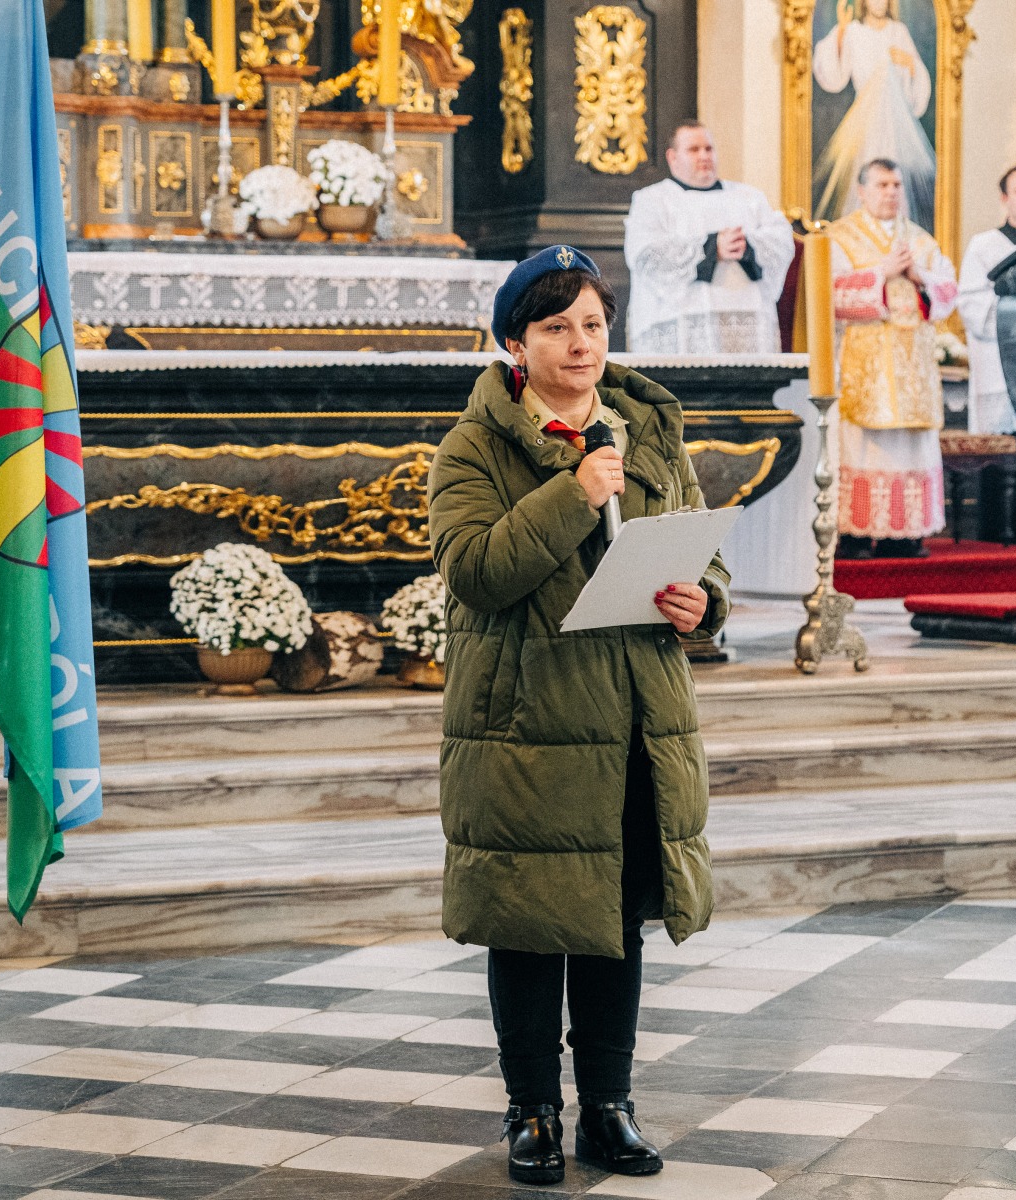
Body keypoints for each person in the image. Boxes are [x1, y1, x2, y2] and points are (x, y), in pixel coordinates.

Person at [426, 245, 730, 1186]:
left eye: (592, 323)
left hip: (635, 716)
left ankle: (608, 1106)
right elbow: (477, 572)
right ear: (515, 344)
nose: (580, 343)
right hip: (528, 721)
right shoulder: (472, 448)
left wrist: (703, 600)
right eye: (556, 326)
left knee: (614, 917)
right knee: (528, 920)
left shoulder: (649, 430)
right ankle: (531, 1111)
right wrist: (576, 491)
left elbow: (699, 549)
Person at [830, 158, 958, 558]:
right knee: (861, 446)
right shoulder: (840, 238)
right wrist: (880, 273)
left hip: (914, 366)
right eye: (882, 185)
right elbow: (829, 296)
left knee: (910, 448)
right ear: (862, 191)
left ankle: (904, 535)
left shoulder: (921, 241)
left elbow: (949, 293)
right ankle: (855, 534)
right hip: (866, 364)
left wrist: (920, 278)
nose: (891, 192)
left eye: (896, 185)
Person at [624, 121, 796, 354]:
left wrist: (747, 246)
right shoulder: (652, 200)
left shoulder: (749, 197)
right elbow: (644, 254)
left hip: (747, 324)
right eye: (694, 150)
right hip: (681, 324)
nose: (704, 156)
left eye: (709, 149)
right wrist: (711, 247)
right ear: (673, 157)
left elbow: (780, 240)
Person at [812, 0, 934, 226]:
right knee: (864, 168)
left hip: (893, 119)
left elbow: (917, 83)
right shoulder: (853, 31)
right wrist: (841, 30)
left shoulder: (898, 31)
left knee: (894, 172)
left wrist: (909, 63)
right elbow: (833, 76)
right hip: (865, 119)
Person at [957, 163, 1016, 436]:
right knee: (1001, 452)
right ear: (1005, 198)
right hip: (998, 369)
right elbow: (972, 307)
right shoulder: (983, 246)